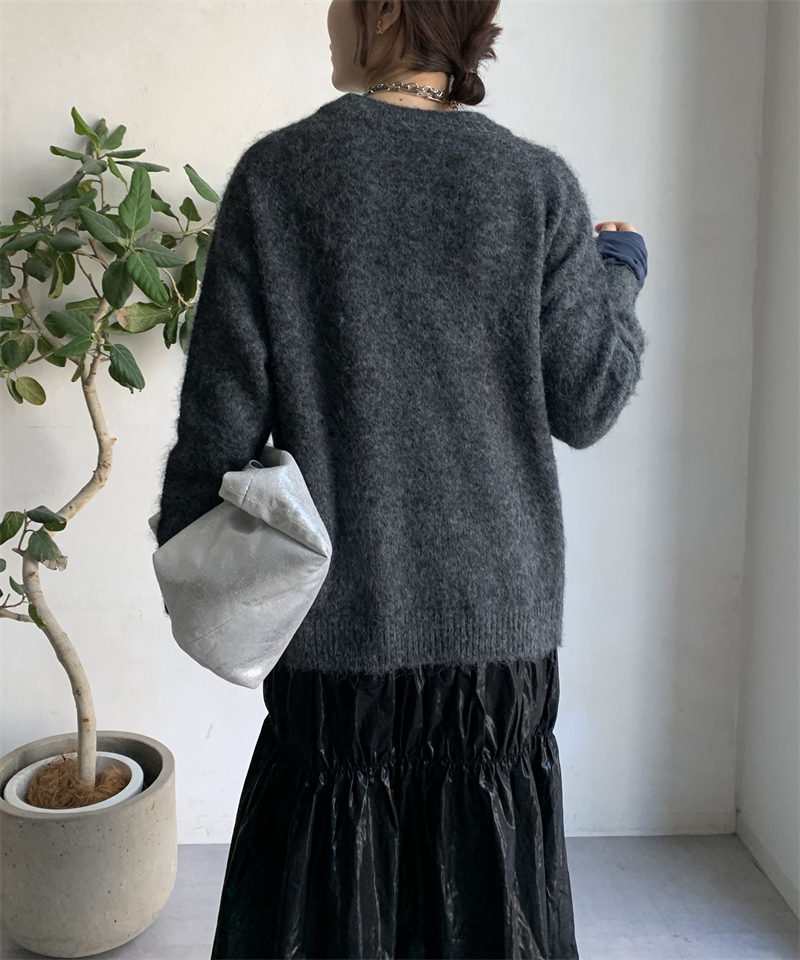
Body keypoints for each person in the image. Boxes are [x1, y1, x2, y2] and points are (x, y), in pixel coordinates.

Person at [154, 1, 649, 957]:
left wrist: (194, 563)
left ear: (384, 8)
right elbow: (589, 400)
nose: (329, 16)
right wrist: (618, 271)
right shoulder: (535, 186)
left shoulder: (279, 177)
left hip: (340, 642)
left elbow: (215, 439)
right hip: (498, 639)